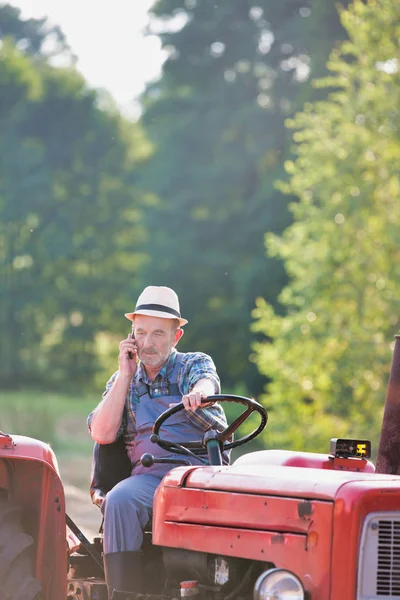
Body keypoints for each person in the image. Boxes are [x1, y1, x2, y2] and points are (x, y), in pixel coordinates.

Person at [87, 285, 228, 598]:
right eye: (140, 332)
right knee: (120, 499)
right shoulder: (123, 379)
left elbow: (207, 380)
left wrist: (200, 395)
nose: (147, 343)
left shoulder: (191, 366)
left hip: (199, 473)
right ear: (131, 334)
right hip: (150, 477)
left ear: (176, 336)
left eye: (158, 334)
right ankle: (122, 593)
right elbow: (102, 433)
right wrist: (124, 375)